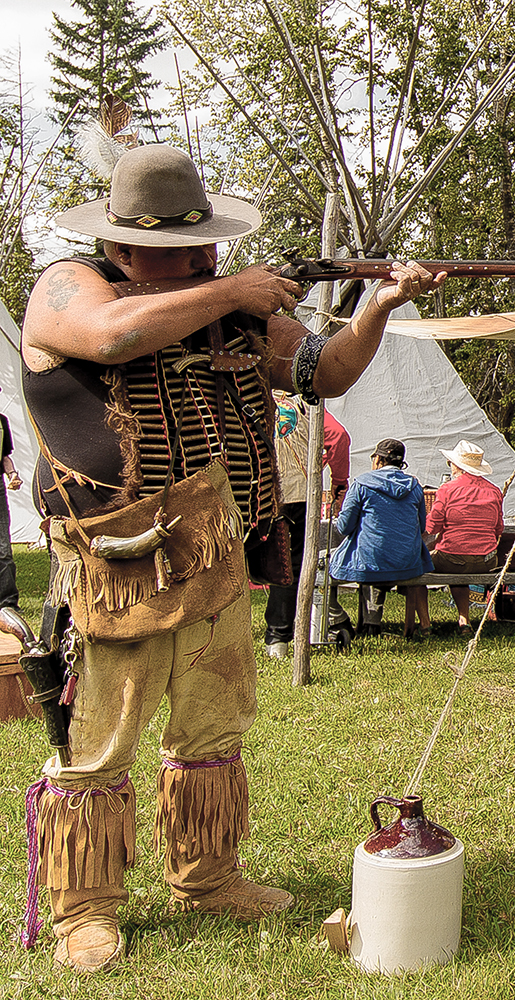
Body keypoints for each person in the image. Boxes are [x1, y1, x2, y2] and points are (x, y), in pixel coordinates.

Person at [18, 143, 444, 974]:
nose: (205, 260)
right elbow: (110, 337)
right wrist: (232, 290)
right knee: (98, 748)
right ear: (125, 247)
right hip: (116, 561)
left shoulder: (232, 312)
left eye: (208, 249)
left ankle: (207, 875)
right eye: (187, 251)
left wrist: (379, 307)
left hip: (212, 553)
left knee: (212, 730)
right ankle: (84, 908)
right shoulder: (68, 287)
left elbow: (329, 371)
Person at [263, 390, 350, 658]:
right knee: (292, 564)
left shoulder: (251, 396)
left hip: (255, 491)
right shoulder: (304, 404)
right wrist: (338, 479)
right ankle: (278, 638)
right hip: (297, 493)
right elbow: (338, 437)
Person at [329, 438, 434, 639]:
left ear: (378, 460)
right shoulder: (414, 486)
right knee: (376, 554)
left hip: (372, 559)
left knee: (319, 569)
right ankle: (370, 625)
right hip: (406, 561)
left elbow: (344, 527)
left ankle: (339, 619)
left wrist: (340, 510)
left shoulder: (361, 484)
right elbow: (421, 525)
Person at [426, 440, 507, 632]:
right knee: (460, 563)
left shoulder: (447, 489)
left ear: (456, 465)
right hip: (486, 561)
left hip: (452, 559)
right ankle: (464, 620)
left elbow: (432, 526)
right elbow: (498, 529)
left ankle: (424, 624)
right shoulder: (494, 491)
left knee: (418, 565)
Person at [0, 404, 22, 611]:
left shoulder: (1, 421)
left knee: (3, 549)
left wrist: (12, 474)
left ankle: (7, 604)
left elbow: (5, 457)